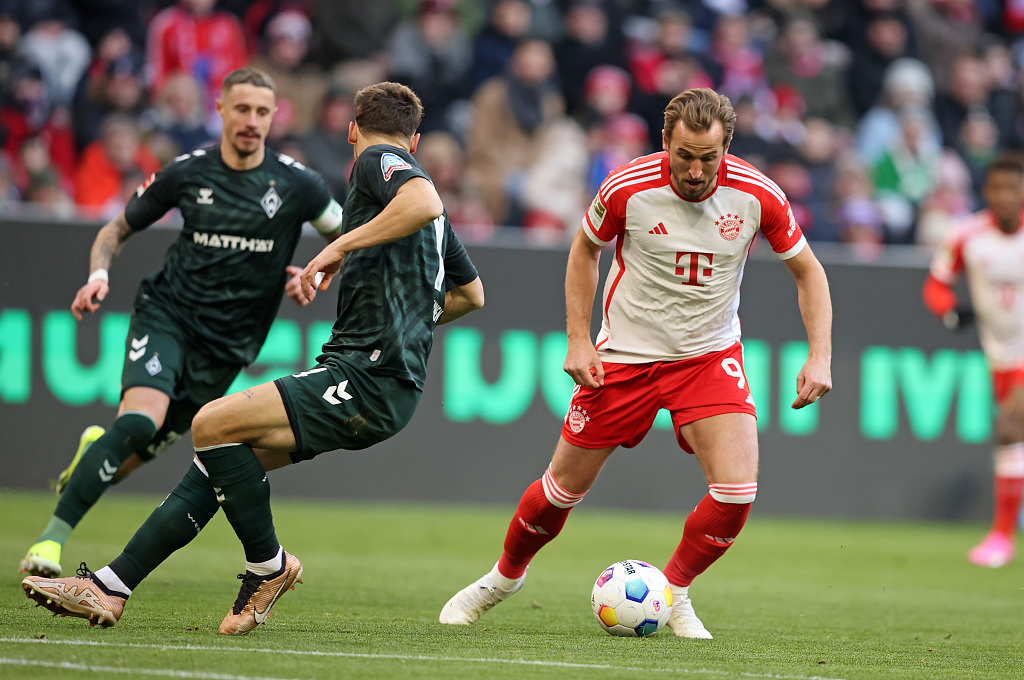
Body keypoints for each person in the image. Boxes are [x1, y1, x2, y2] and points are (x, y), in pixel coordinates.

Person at [22, 81, 485, 636]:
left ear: (352, 129)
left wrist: (338, 245)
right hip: (388, 386)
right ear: (417, 138)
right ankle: (109, 587)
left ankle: (269, 565)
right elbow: (471, 294)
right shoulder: (427, 216)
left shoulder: (374, 162)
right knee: (216, 464)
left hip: (366, 374)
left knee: (210, 423)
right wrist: (409, 321)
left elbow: (423, 199)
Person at [439, 87, 832, 638]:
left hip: (709, 355)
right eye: (685, 155)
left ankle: (672, 593)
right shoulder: (628, 186)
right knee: (561, 491)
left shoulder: (758, 195)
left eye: (709, 158)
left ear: (728, 149)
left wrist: (820, 355)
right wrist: (579, 340)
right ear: (665, 141)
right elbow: (583, 249)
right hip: (625, 356)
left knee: (737, 492)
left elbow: (809, 271)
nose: (695, 171)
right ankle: (503, 579)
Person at [19, 66, 346, 579]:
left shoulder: (298, 184)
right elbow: (117, 228)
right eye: (242, 109)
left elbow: (348, 239)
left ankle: (92, 454)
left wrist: (315, 272)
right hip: (168, 314)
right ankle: (49, 543)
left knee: (136, 452)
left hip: (226, 348)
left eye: (262, 112)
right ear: (220, 109)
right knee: (139, 421)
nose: (252, 121)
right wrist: (99, 273)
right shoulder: (188, 172)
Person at [922, 155, 1024, 568]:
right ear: (986, 192)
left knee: (1010, 426)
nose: (1005, 197)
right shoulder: (966, 235)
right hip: (999, 353)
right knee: (1012, 438)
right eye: (997, 188)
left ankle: (1001, 536)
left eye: (1013, 189)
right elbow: (935, 285)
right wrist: (950, 310)